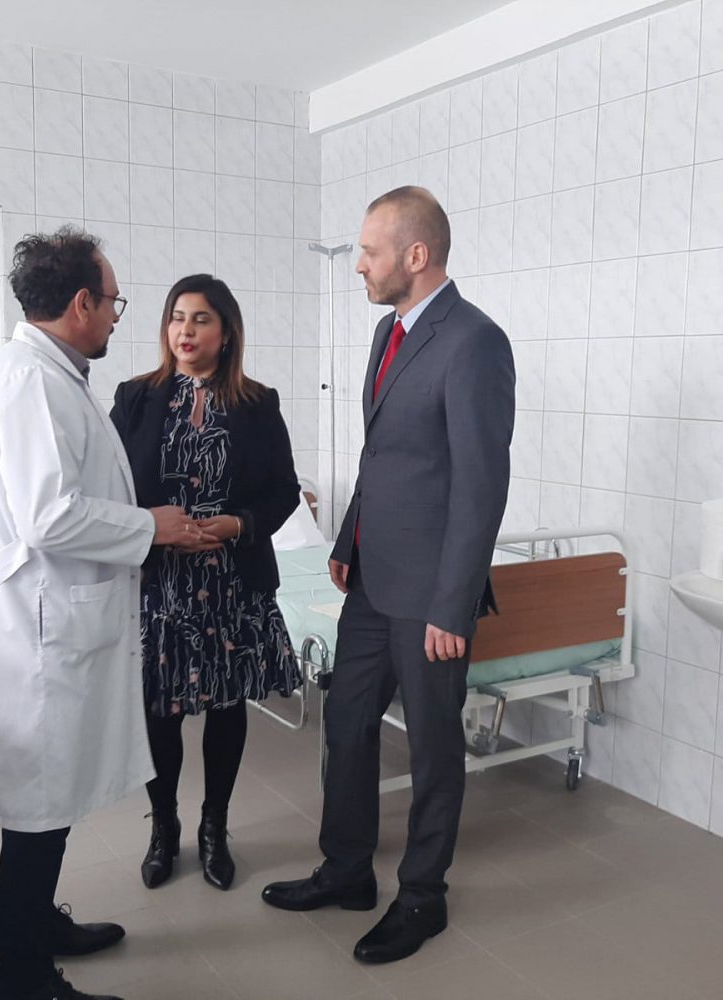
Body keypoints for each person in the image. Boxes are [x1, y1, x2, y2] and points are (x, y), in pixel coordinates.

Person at [0, 228, 205, 1000]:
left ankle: (37, 929)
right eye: (113, 300)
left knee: (45, 802)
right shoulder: (30, 381)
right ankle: (20, 976)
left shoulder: (50, 374)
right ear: (82, 302)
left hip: (47, 623)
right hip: (38, 635)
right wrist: (151, 526)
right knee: (37, 807)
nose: (118, 314)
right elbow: (49, 516)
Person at [262, 187, 516, 964]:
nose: (360, 265)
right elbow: (380, 457)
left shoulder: (474, 341)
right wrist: (347, 539)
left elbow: (481, 485)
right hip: (373, 580)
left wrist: (453, 605)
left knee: (434, 748)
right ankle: (347, 870)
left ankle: (422, 896)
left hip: (432, 592)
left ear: (416, 254)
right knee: (346, 721)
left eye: (370, 252)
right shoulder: (388, 332)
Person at [110, 274, 301, 893]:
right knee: (159, 710)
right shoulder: (136, 398)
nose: (185, 331)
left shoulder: (257, 403)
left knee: (226, 706)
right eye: (177, 318)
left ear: (226, 332)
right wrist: (149, 528)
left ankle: (214, 827)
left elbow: (284, 490)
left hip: (231, 582)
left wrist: (239, 524)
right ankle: (164, 828)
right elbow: (108, 487)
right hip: (159, 582)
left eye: (200, 319)